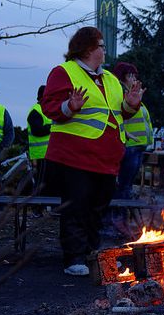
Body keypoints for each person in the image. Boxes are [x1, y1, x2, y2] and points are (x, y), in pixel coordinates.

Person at [41, 26, 143, 276]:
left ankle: (91, 253)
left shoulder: (109, 78)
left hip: (106, 159)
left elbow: (118, 113)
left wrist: (131, 105)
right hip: (74, 157)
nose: (104, 51)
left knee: (98, 208)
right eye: (101, 46)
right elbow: (49, 107)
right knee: (76, 207)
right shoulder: (64, 72)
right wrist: (69, 105)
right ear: (87, 49)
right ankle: (74, 258)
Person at [114, 62, 154, 200]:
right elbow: (117, 116)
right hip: (129, 146)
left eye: (134, 75)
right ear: (121, 77)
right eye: (130, 75)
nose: (134, 79)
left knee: (128, 184)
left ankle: (121, 216)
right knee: (124, 185)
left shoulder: (132, 95)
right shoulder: (121, 93)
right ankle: (119, 216)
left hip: (137, 146)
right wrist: (125, 133)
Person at [26, 85, 52, 212]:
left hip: (50, 154)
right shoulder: (35, 111)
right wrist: (52, 127)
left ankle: (46, 207)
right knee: (41, 183)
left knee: (48, 182)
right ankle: (37, 208)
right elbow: (37, 131)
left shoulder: (48, 110)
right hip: (41, 154)